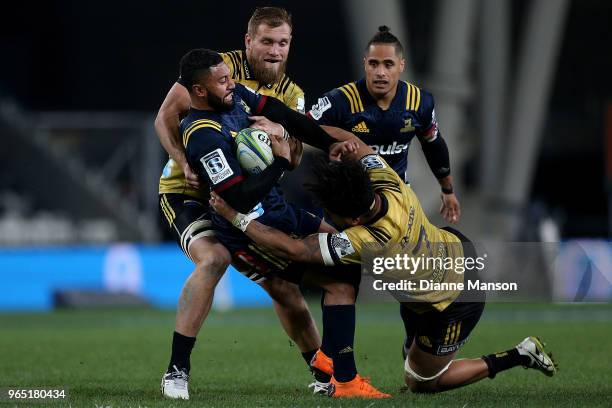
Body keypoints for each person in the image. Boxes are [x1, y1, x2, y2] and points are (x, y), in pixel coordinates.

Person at [210, 131, 557, 395]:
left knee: (421, 380)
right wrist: (316, 137)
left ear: (355, 218)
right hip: (450, 252)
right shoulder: (388, 183)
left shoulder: (370, 238)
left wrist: (237, 217)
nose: (331, 218)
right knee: (411, 347)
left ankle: (520, 354)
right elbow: (357, 145)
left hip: (455, 302)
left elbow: (296, 250)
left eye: (335, 215)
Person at [179, 48, 390, 399]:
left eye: (230, 76)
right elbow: (239, 200)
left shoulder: (232, 98)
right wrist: (278, 163)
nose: (232, 84)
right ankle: (343, 378)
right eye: (222, 81)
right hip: (250, 228)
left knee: (349, 259)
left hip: (279, 209)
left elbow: (279, 112)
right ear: (200, 91)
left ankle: (329, 363)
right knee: (331, 280)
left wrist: (328, 144)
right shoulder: (203, 136)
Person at [156, 8, 317, 400]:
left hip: (243, 200)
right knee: (214, 259)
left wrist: (280, 138)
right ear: (249, 42)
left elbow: (293, 159)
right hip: (188, 193)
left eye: (283, 43)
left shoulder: (292, 95)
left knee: (284, 287)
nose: (275, 51)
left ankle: (324, 372)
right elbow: (165, 117)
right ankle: (176, 372)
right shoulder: (218, 70)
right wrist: (182, 161)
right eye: (267, 41)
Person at [308, 26, 461, 224]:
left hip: (395, 200)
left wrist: (447, 190)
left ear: (401, 65)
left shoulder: (419, 102)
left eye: (388, 64)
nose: (380, 72)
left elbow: (433, 145)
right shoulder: (341, 100)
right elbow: (303, 128)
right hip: (347, 205)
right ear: (365, 64)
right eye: (374, 64)